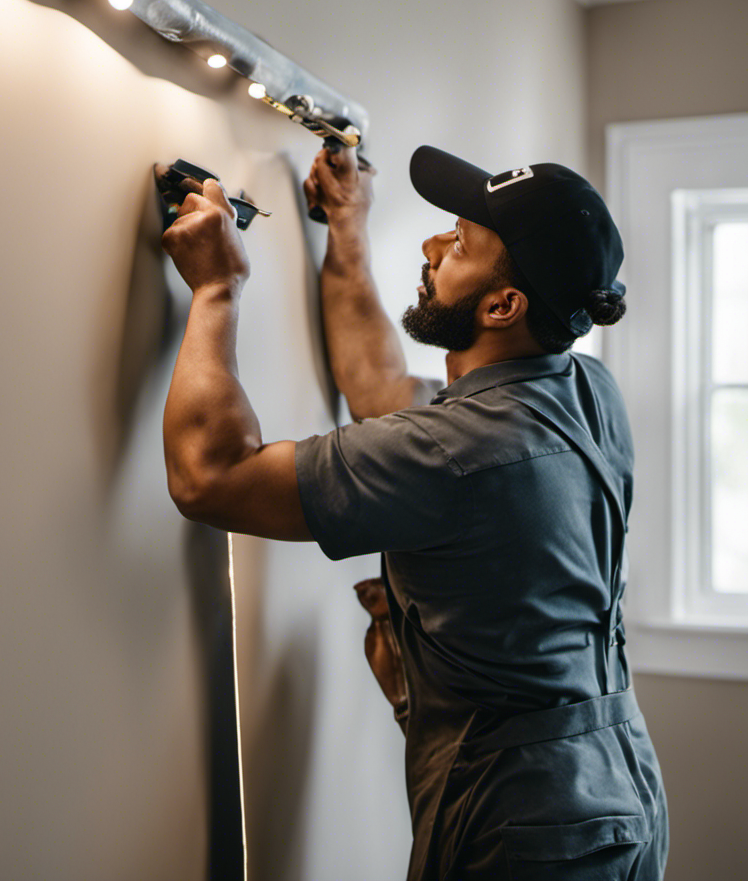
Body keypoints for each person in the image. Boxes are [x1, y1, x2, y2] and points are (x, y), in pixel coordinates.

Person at [159, 142, 668, 880]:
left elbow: (210, 476)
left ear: (502, 305)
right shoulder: (586, 391)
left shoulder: (456, 454)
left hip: (532, 831)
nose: (431, 244)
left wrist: (217, 288)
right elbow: (381, 389)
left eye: (458, 243)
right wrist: (347, 228)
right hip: (617, 790)